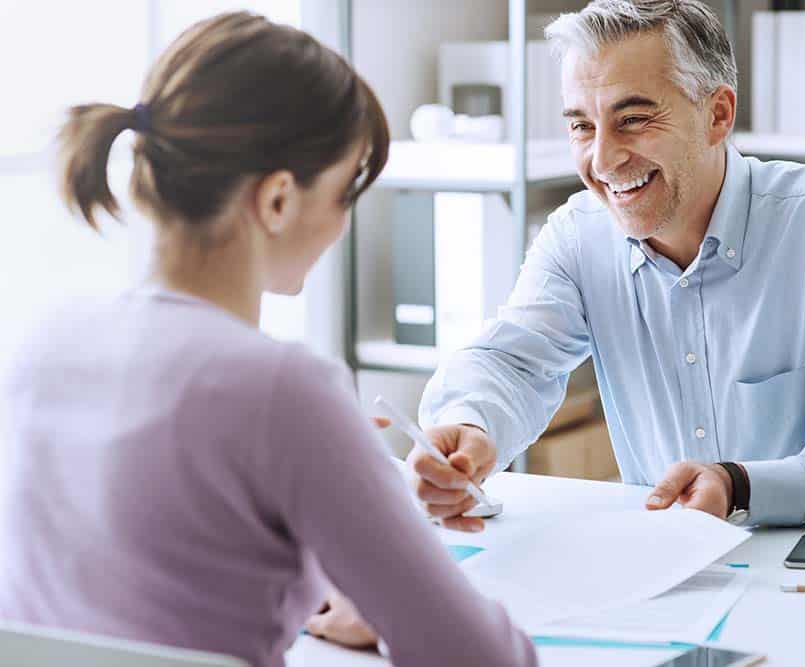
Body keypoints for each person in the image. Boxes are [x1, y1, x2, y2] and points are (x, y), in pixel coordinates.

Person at [0, 12, 536, 667]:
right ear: (278, 200)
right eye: (344, 193)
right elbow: (481, 657)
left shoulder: (41, 344)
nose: (343, 224)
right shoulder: (284, 390)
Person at [411, 0, 805, 532]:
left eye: (634, 119)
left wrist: (742, 486)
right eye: (581, 126)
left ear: (717, 115)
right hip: (665, 569)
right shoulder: (579, 235)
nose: (601, 160)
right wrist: (469, 423)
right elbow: (511, 363)